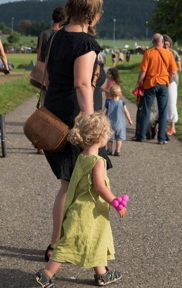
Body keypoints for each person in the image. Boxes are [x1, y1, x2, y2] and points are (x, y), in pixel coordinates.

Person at [41, 0, 104, 263]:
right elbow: (81, 84)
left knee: (67, 184)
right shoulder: (86, 44)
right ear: (92, 14)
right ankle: (66, 250)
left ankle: (56, 245)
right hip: (73, 122)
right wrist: (92, 126)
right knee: (75, 185)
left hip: (53, 116)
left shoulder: (56, 37)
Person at [35, 112, 126, 288]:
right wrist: (115, 201)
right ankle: (46, 274)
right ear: (100, 138)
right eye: (106, 135)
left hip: (81, 209)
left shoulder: (81, 157)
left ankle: (102, 274)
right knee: (68, 245)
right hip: (87, 213)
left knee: (94, 241)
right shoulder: (98, 162)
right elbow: (100, 187)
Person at [133, 33, 177, 144]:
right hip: (163, 84)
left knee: (146, 110)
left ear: (153, 42)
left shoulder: (148, 53)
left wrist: (139, 83)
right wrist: (167, 79)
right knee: (163, 112)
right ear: (162, 42)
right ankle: (161, 138)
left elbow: (143, 71)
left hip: (150, 84)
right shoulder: (169, 54)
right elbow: (173, 71)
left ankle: (141, 136)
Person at [104, 85, 133, 156]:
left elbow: (103, 112)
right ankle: (117, 151)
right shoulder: (122, 103)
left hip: (110, 124)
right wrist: (129, 120)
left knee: (109, 138)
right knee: (119, 139)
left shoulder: (108, 103)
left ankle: (109, 150)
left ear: (110, 93)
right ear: (120, 93)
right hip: (120, 124)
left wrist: (101, 120)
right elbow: (126, 112)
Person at [162, 35, 181, 135]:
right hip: (160, 80)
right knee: (159, 103)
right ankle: (162, 125)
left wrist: (170, 69)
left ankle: (172, 126)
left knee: (171, 103)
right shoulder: (159, 52)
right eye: (164, 44)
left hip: (171, 80)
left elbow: (179, 68)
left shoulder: (173, 53)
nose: (165, 46)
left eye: (167, 44)